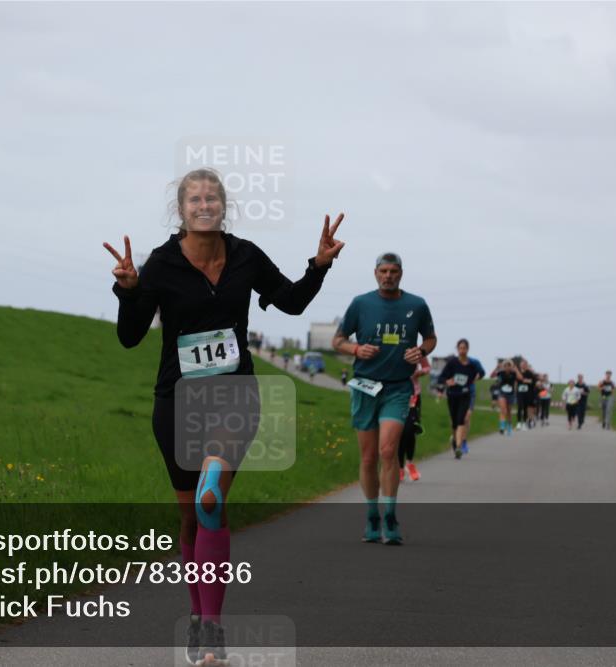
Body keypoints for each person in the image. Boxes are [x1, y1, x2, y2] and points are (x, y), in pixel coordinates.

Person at [106, 168, 345, 665]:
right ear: (181, 208)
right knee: (191, 516)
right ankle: (196, 617)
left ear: (224, 205)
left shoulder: (246, 256)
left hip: (235, 397)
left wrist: (319, 265)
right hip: (176, 401)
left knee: (210, 498)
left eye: (212, 196)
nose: (203, 203)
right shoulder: (162, 264)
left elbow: (291, 302)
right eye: (194, 197)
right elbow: (129, 337)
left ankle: (213, 630)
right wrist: (129, 291)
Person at [333, 252, 437, 545]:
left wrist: (422, 351)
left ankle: (390, 515)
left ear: (401, 273)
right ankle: (371, 515)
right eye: (383, 271)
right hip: (365, 386)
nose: (388, 276)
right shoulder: (361, 303)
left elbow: (430, 338)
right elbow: (337, 340)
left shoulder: (416, 305)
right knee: (368, 457)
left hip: (398, 387)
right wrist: (355, 350)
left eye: (393, 271)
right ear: (375, 273)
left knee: (388, 451)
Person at [437, 339, 484, 459]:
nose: (462, 350)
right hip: (453, 395)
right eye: (460, 348)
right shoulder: (452, 363)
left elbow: (482, 372)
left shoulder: (472, 364)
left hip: (465, 395)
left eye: (464, 348)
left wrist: (477, 376)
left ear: (467, 349)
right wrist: (447, 381)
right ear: (457, 349)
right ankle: (455, 441)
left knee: (461, 420)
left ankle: (458, 447)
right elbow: (441, 378)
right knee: (454, 423)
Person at [399, 354, 431, 480]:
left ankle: (410, 463)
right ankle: (399, 468)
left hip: (414, 394)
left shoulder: (416, 350)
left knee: (410, 430)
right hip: (396, 395)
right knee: (399, 433)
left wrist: (420, 373)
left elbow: (427, 367)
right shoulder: (392, 345)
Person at [460, 353, 486, 453]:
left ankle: (464, 442)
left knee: (466, 417)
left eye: (464, 348)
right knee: (457, 419)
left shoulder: (474, 362)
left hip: (470, 393)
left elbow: (482, 372)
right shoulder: (454, 362)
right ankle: (457, 435)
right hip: (456, 393)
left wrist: (476, 378)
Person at [491, 359, 522, 435]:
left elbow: (521, 378)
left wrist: (516, 369)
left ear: (511, 366)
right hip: (502, 393)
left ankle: (509, 427)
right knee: (503, 409)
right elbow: (491, 376)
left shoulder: (514, 373)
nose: (507, 367)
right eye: (505, 366)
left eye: (509, 365)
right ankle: (502, 427)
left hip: (511, 394)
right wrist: (496, 367)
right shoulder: (501, 373)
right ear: (503, 366)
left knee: (508, 412)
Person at [517, 360, 538, 430]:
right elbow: (516, 380)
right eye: (522, 364)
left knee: (526, 408)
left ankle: (525, 423)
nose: (523, 366)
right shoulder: (518, 373)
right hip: (520, 392)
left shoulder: (530, 373)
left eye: (524, 364)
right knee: (520, 407)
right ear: (520, 365)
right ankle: (519, 423)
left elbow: (534, 381)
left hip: (527, 393)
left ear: (526, 365)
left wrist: (528, 381)